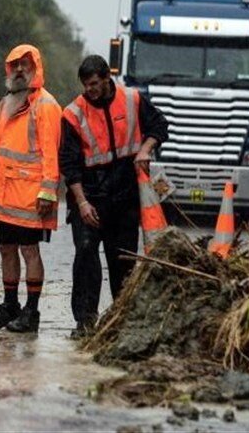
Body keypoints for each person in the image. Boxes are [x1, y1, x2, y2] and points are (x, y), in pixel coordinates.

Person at [60, 55, 168, 339]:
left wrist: (145, 149)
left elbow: (159, 125)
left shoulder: (132, 100)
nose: (90, 90)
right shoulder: (73, 113)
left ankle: (121, 319)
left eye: (94, 84)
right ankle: (85, 321)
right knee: (86, 253)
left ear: (108, 78)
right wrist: (81, 203)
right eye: (86, 85)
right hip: (90, 196)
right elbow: (69, 164)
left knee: (123, 260)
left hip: (124, 196)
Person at [0, 44, 62, 334]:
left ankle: (31, 311)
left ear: (36, 68)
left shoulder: (46, 105)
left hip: (31, 196)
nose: (20, 69)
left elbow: (51, 153)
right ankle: (10, 305)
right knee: (6, 249)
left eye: (26, 64)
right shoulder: (6, 103)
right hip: (4, 194)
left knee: (29, 250)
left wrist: (48, 191)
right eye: (15, 65)